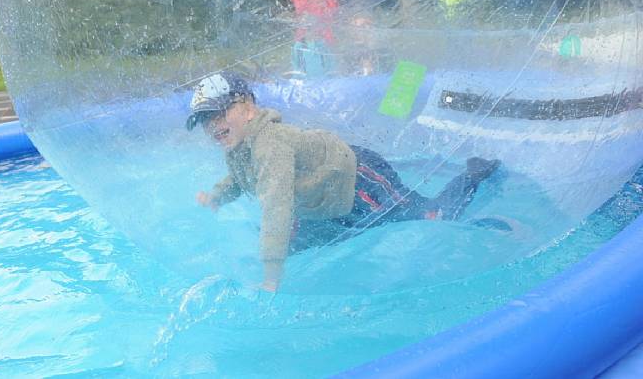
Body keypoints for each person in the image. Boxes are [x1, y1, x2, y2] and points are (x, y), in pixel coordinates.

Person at [187, 72, 501, 292]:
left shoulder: (270, 144)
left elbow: (276, 206)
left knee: (433, 216)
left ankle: (473, 173)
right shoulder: (240, 146)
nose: (212, 125)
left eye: (218, 114)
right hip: (320, 200)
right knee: (299, 250)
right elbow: (242, 178)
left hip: (358, 178)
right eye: (204, 120)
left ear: (249, 109)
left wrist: (271, 278)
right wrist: (218, 196)